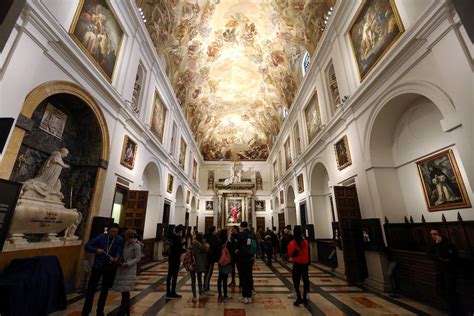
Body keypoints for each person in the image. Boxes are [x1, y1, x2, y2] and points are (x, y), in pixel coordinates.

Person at [82, 223, 123, 316]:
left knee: (104, 290)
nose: (113, 233)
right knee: (91, 289)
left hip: (109, 267)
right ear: (108, 231)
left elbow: (120, 251)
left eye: (115, 232)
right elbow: (87, 246)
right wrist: (96, 250)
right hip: (98, 266)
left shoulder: (119, 239)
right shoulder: (101, 237)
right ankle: (86, 311)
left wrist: (117, 257)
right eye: (112, 231)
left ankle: (100, 311)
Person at [428, 228, 458, 315]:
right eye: (431, 234)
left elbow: (446, 255)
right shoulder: (433, 244)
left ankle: (453, 310)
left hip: (448, 271)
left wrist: (439, 246)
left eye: (435, 234)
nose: (433, 236)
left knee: (450, 291)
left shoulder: (448, 244)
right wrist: (438, 256)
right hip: (438, 270)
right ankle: (448, 307)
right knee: (438, 290)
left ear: (440, 234)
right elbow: (429, 254)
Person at [113, 229, 142, 316]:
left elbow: (138, 258)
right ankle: (125, 309)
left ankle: (123, 310)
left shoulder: (136, 246)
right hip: (123, 269)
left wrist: (128, 263)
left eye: (128, 238)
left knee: (126, 291)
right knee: (124, 291)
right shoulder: (125, 245)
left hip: (130, 270)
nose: (127, 239)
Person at [288, 226, 310, 306]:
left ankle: (299, 297)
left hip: (297, 264)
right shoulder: (305, 242)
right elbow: (307, 253)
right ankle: (305, 297)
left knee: (296, 281)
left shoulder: (293, 243)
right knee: (305, 280)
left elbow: (290, 254)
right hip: (305, 264)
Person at [235, 222, 253, 304]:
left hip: (242, 258)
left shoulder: (241, 234)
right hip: (250, 257)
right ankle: (249, 296)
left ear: (241, 226)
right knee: (249, 276)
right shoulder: (251, 233)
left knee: (243, 277)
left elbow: (237, 246)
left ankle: (244, 296)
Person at [166, 224, 186, 299]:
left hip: (171, 258)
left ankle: (168, 292)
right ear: (180, 231)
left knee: (169, 275)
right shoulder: (177, 238)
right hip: (175, 258)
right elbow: (178, 249)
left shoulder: (171, 236)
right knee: (174, 276)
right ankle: (173, 292)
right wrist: (184, 250)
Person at [190, 232, 209, 302]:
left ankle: (194, 296)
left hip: (193, 264)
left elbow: (190, 254)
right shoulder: (204, 247)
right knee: (200, 279)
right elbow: (205, 257)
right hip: (200, 264)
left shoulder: (193, 245)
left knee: (193, 280)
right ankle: (200, 294)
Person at [217, 229, 232, 301]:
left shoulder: (218, 241)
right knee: (225, 279)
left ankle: (220, 295)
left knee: (220, 278)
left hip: (220, 261)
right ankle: (225, 295)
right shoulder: (227, 243)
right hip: (226, 262)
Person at [203, 226, 219, 294]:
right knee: (209, 272)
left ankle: (206, 286)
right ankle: (206, 288)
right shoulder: (213, 237)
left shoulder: (205, 236)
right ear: (213, 231)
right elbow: (216, 246)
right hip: (211, 257)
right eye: (215, 230)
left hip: (205, 257)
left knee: (207, 272)